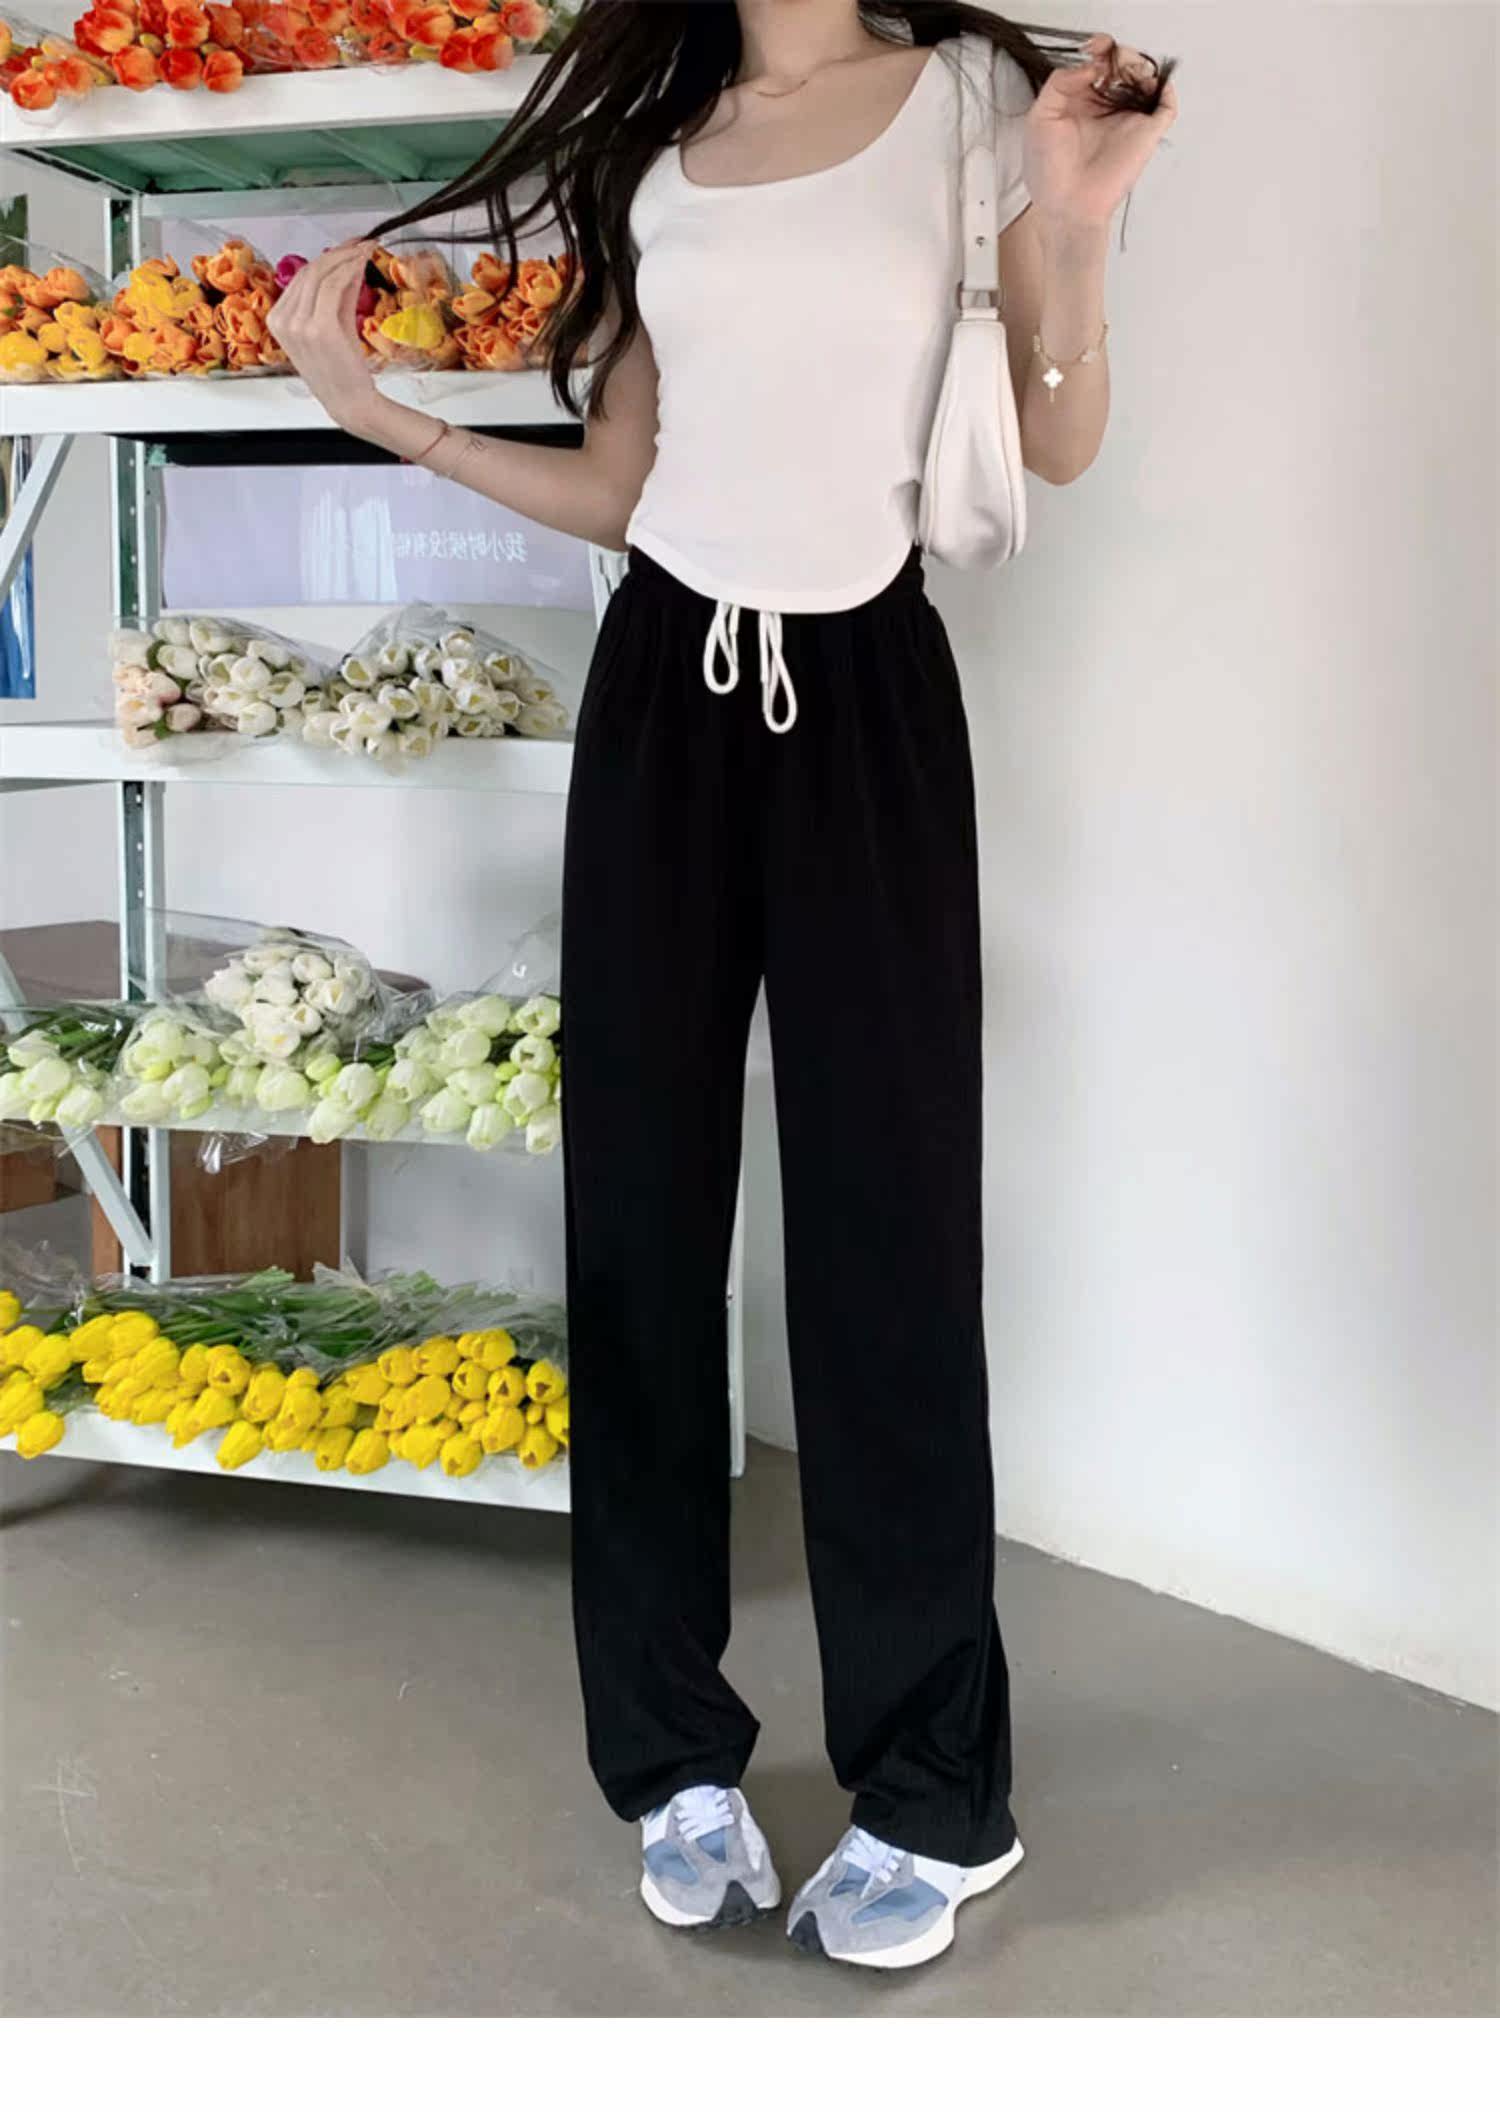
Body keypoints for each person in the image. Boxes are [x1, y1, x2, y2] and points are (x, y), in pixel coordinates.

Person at [270, 0, 1177, 1972]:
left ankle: (936, 1791)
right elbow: (629, 487)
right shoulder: (657, 139)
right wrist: (385, 415)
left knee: (888, 1247)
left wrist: (1076, 221)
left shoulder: (973, 101)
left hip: (866, 696)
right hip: (661, 700)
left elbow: (1059, 437)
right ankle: (670, 1753)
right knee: (641, 1236)